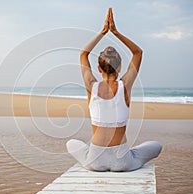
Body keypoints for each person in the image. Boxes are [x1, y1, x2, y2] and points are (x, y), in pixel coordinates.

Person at [66, 8, 162, 172]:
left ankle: (110, 156)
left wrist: (103, 32)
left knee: (71, 144)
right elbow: (138, 52)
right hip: (122, 162)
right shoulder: (125, 86)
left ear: (98, 68)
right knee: (156, 146)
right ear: (119, 68)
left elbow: (83, 54)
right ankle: (129, 155)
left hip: (94, 162)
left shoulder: (92, 86)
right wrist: (115, 32)